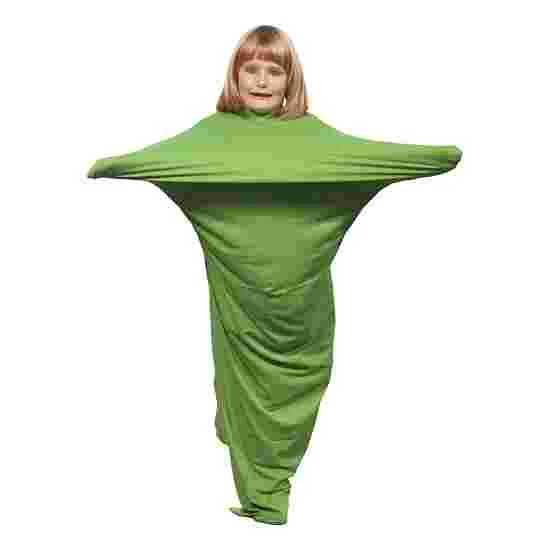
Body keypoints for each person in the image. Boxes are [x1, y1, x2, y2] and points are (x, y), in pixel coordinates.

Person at [87, 24, 463, 526]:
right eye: (251, 69)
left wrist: (437, 158)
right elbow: (163, 157)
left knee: (296, 388)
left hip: (301, 311)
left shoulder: (314, 138)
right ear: (235, 75)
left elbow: (371, 156)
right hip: (239, 306)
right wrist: (114, 166)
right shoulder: (211, 136)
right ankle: (264, 497)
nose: (262, 80)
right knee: (240, 390)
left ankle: (268, 472)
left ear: (290, 79)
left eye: (274, 70)